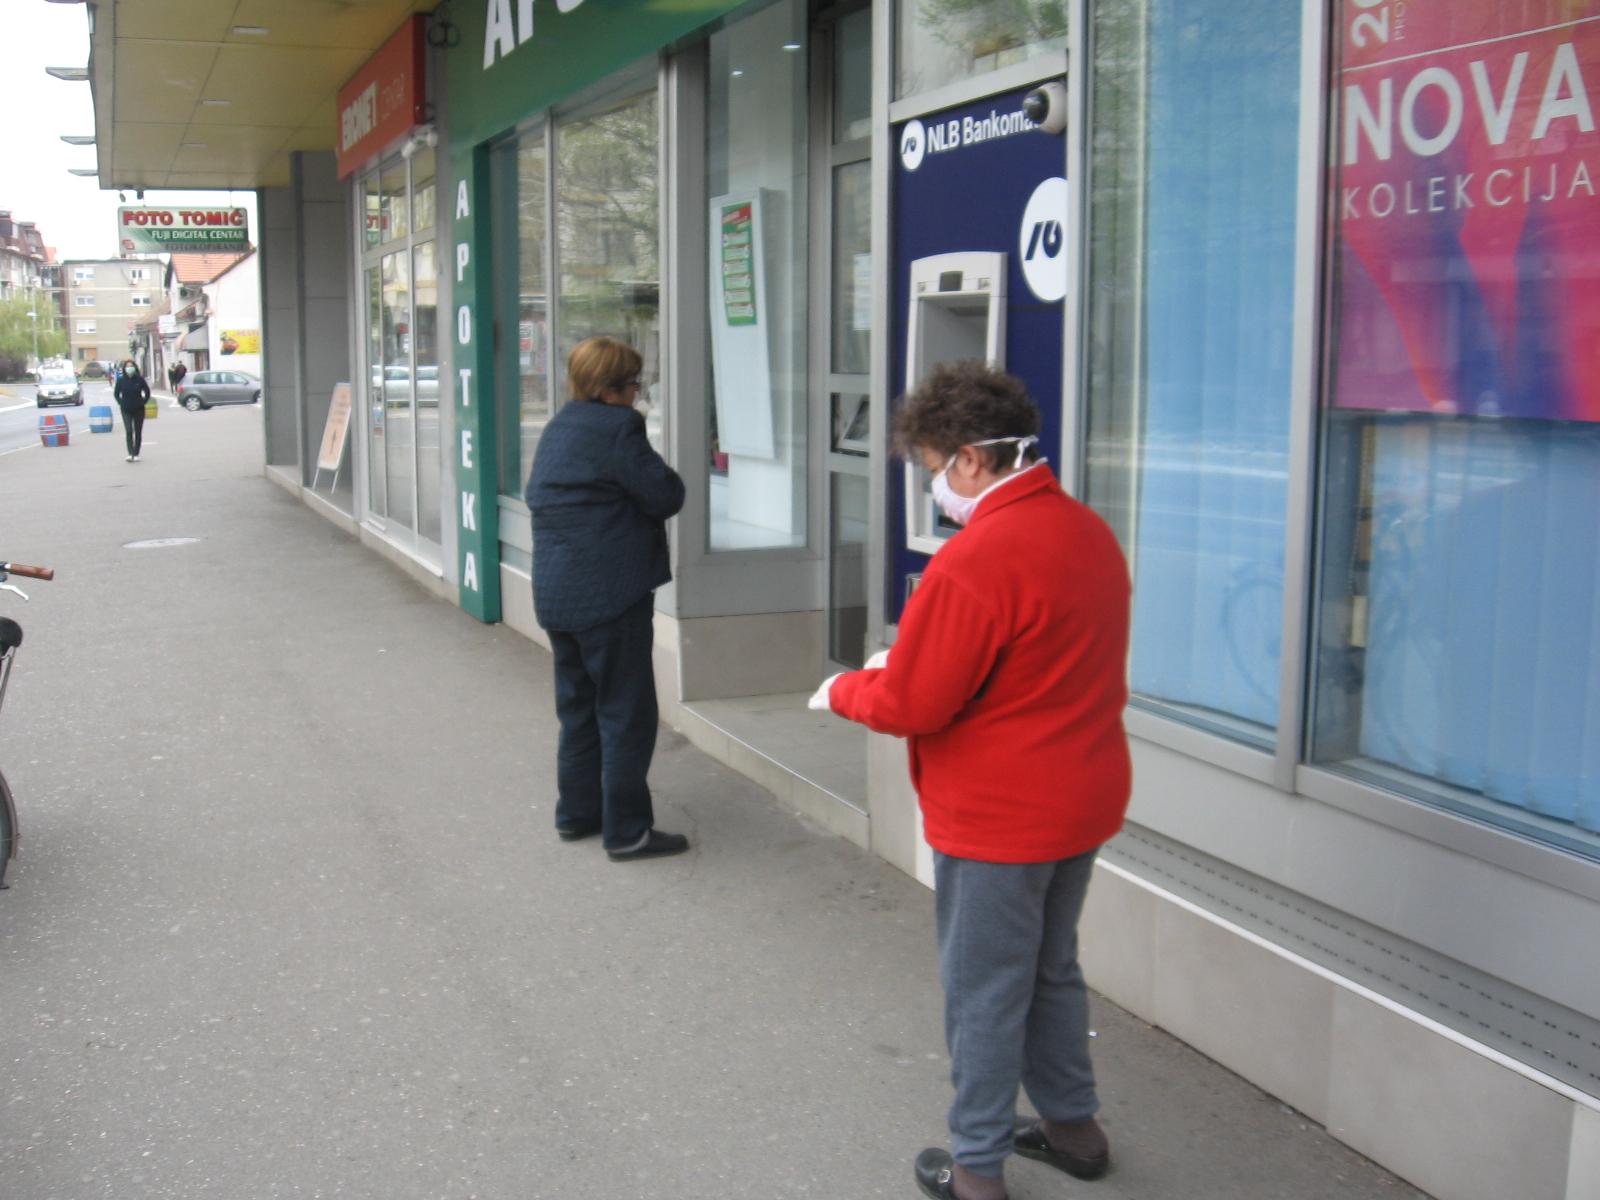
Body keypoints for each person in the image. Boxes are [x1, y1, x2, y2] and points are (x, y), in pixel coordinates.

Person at [809, 361, 1132, 1200]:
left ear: (971, 460)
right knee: (1050, 967)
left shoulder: (975, 559)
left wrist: (845, 687)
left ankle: (978, 1168)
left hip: (1000, 816)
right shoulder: (1086, 531)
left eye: (932, 469)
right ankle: (1074, 1130)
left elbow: (916, 700)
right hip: (1082, 796)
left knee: (984, 989)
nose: (934, 489)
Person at [524, 336, 690, 861]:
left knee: (578, 708)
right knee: (625, 712)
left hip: (557, 594)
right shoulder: (618, 428)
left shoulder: (560, 426)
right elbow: (665, 494)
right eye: (635, 384)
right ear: (613, 388)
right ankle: (628, 832)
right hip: (610, 597)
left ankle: (577, 815)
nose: (639, 395)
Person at [113, 358, 151, 463]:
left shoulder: (139, 379)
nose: (129, 368)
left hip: (139, 409)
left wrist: (143, 402)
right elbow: (116, 394)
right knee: (129, 430)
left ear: (134, 367)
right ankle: (130, 453)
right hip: (126, 409)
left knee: (138, 431)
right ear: (124, 368)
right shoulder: (121, 380)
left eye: (131, 366)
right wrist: (120, 402)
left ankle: (136, 453)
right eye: (127, 366)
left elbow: (147, 392)